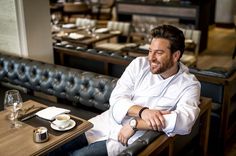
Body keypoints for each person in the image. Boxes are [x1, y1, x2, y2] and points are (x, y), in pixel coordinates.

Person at [50, 24, 201, 156]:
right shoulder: (139, 64)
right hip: (105, 123)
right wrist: (144, 112)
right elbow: (116, 99)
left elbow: (184, 122)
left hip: (129, 138)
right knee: (56, 147)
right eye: (150, 51)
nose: (151, 58)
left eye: (159, 53)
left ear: (176, 56)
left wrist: (136, 123)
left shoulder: (189, 85)